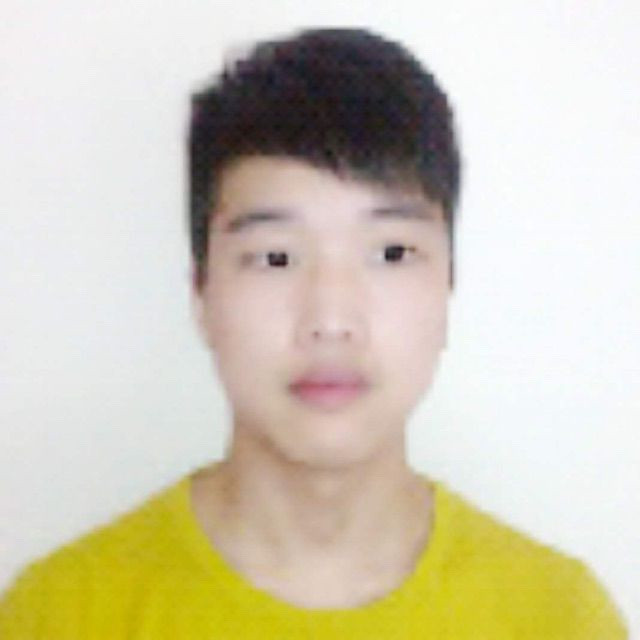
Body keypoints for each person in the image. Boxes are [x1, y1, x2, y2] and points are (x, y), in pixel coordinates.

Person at [0, 27, 628, 638]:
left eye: (391, 253)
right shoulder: (60, 616)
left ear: (449, 284)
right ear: (201, 293)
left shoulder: (558, 618)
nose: (330, 320)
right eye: (276, 258)